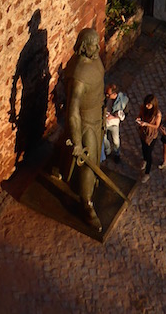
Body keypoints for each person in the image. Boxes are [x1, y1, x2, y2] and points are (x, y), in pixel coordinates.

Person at [65, 28, 106, 230]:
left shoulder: (96, 60)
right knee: (88, 165)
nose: (98, 47)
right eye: (93, 44)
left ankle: (66, 172)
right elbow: (72, 112)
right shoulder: (79, 77)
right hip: (85, 122)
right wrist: (78, 144)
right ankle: (87, 203)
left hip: (97, 115)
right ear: (83, 46)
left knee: (97, 155)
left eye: (98, 43)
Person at [136, 94, 161, 182]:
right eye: (146, 104)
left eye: (149, 105)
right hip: (143, 132)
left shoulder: (157, 114)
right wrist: (139, 119)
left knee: (149, 152)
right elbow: (140, 115)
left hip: (151, 136)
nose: (147, 106)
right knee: (143, 148)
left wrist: (146, 124)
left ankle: (147, 173)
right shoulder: (143, 108)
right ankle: (144, 160)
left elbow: (156, 126)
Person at [103, 83, 129, 163]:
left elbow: (125, 114)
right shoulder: (106, 98)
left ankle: (117, 154)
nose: (106, 95)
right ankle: (108, 151)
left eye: (108, 94)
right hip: (104, 122)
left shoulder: (122, 101)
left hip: (114, 124)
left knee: (116, 141)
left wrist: (114, 117)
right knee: (103, 138)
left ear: (114, 94)